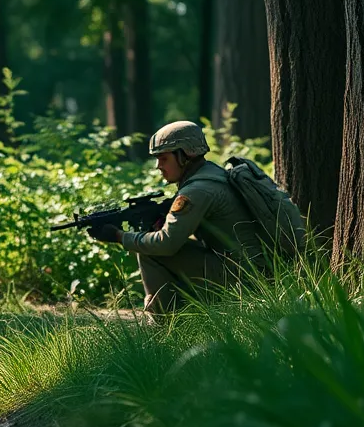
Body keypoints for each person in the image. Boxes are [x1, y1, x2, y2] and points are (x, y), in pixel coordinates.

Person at [87, 120, 269, 315]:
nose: (158, 166)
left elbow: (167, 243)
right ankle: (186, 314)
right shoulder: (214, 173)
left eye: (163, 159)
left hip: (244, 280)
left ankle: (164, 323)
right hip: (256, 271)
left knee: (150, 249)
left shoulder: (196, 190)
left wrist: (119, 236)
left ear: (184, 156)